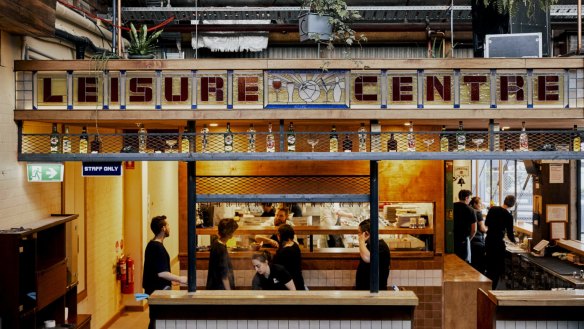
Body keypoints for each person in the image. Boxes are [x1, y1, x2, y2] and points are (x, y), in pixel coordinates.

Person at [143, 215, 187, 329]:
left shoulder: (151, 244)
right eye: (168, 225)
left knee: (155, 319)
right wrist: (181, 279)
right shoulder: (158, 248)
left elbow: (155, 270)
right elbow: (161, 273)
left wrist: (171, 281)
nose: (169, 227)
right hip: (157, 291)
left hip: (153, 289)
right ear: (163, 228)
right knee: (157, 320)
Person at [485, 195, 517, 290]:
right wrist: (515, 242)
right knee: (497, 268)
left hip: (489, 240)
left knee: (489, 266)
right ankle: (493, 289)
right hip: (498, 243)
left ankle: (486, 287)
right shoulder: (508, 216)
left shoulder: (493, 209)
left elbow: (486, 223)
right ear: (513, 204)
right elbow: (510, 234)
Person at [355, 219, 391, 290]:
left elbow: (367, 258)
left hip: (374, 290)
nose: (358, 235)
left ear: (366, 234)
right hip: (367, 289)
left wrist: (361, 241)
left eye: (359, 233)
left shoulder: (380, 246)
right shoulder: (372, 244)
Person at [206, 218, 239, 290]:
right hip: (220, 289)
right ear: (229, 233)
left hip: (213, 286)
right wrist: (229, 293)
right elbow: (224, 276)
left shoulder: (216, 243)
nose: (234, 233)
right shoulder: (221, 249)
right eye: (233, 231)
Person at [273, 224, 306, 290]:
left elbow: (277, 268)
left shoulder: (284, 251)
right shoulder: (295, 245)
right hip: (298, 282)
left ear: (280, 235)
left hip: (289, 284)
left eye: (278, 234)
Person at [453, 189, 477, 263]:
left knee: (453, 260)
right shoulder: (471, 210)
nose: (470, 200)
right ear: (466, 198)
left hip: (451, 239)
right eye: (470, 198)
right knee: (464, 262)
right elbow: (474, 230)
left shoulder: (451, 206)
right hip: (463, 240)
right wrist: (469, 239)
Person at [469, 196, 488, 274]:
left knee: (472, 263)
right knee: (480, 264)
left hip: (470, 240)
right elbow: (482, 228)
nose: (481, 205)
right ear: (475, 204)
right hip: (478, 241)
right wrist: (488, 229)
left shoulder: (469, 210)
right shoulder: (478, 213)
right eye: (480, 203)